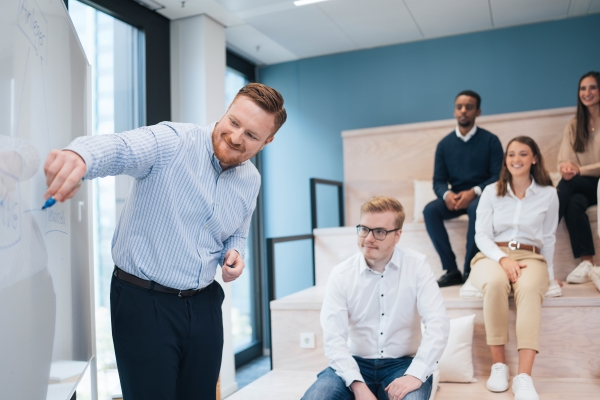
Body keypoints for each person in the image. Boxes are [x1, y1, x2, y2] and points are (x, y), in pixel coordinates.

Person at [42, 83, 286, 400]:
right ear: (226, 111)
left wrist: (235, 251)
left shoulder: (251, 179)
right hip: (144, 302)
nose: (236, 137)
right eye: (234, 122)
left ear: (267, 141)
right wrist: (80, 156)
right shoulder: (174, 141)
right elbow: (121, 148)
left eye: (251, 135)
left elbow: (237, 230)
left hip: (204, 305)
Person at [302, 196, 449, 400]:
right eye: (364, 229)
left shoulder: (417, 266)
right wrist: (358, 386)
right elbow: (334, 338)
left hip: (402, 364)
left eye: (379, 231)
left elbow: (438, 323)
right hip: (353, 363)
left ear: (397, 235)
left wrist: (416, 374)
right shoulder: (341, 274)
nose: (369, 238)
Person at [470, 136, 558, 400]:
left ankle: (524, 377)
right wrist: (503, 259)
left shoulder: (549, 194)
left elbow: (549, 237)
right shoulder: (490, 192)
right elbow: (481, 235)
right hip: (492, 255)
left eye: (523, 154)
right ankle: (499, 366)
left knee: (529, 289)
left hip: (531, 256)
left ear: (535, 159)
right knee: (495, 283)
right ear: (505, 159)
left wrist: (550, 277)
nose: (516, 159)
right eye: (511, 154)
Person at [424, 90, 504, 287]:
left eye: (469, 107)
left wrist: (474, 191)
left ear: (478, 112)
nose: (463, 111)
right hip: (456, 197)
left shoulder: (491, 141)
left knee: (476, 209)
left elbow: (498, 176)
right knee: (430, 211)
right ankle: (451, 270)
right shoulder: (444, 145)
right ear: (454, 111)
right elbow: (438, 181)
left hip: (482, 195)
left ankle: (470, 269)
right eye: (459, 107)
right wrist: (447, 195)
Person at [557, 71, 600, 284]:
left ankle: (543, 229)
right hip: (582, 185)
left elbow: (577, 171)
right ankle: (587, 262)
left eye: (592, 87)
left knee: (569, 183)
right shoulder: (574, 125)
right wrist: (566, 168)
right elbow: (564, 160)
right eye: (583, 88)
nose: (587, 92)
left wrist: (579, 170)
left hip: (596, 182)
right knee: (573, 202)